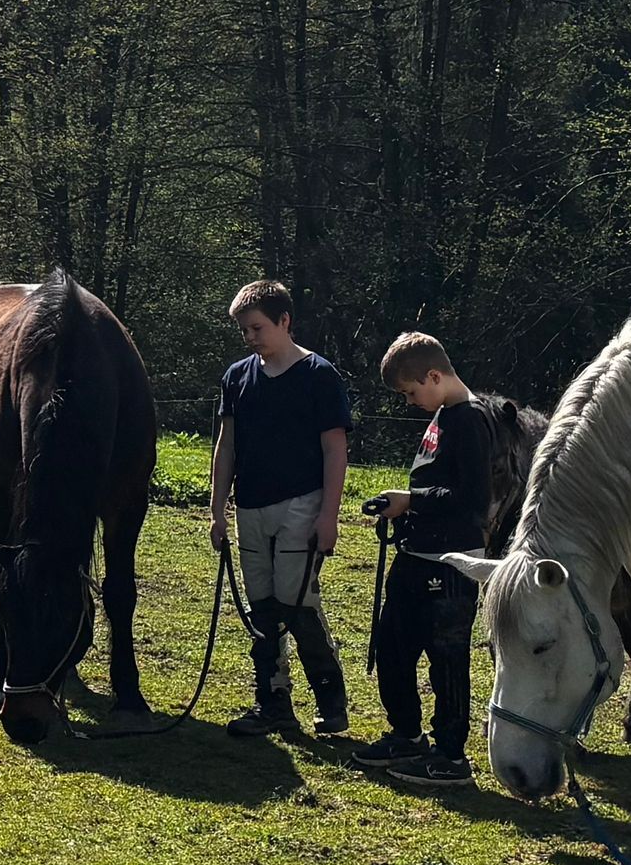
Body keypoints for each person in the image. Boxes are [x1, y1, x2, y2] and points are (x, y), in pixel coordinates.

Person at [209, 278, 352, 738]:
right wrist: (216, 509)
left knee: (299, 604)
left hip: (302, 504)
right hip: (250, 507)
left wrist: (328, 515)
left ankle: (331, 700)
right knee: (262, 608)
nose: (250, 338)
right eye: (244, 331)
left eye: (257, 328)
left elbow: (335, 449)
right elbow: (225, 444)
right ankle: (272, 702)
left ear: (284, 321)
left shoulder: (319, 376)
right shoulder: (237, 377)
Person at [357, 332, 490, 781]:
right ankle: (407, 734)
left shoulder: (468, 420)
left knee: (446, 661)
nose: (411, 401)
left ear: (434, 375)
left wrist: (410, 500)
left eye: (412, 392)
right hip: (416, 554)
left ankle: (452, 755)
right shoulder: (442, 415)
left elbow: (472, 498)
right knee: (393, 647)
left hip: (450, 565)